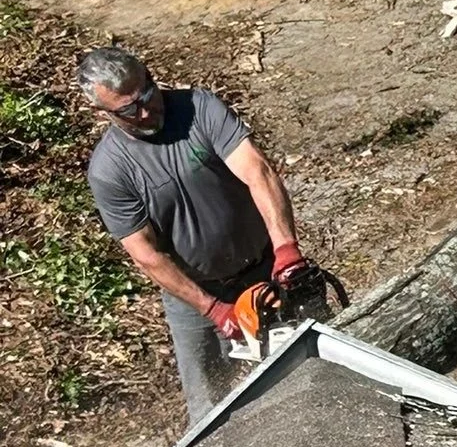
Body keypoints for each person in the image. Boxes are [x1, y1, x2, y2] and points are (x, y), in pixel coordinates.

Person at [78, 47, 320, 424]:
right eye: (129, 110)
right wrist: (212, 309)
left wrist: (286, 249)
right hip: (197, 297)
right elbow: (146, 255)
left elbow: (259, 172)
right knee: (210, 410)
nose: (146, 111)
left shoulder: (198, 108)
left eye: (147, 94)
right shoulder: (110, 171)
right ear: (102, 113)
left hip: (264, 266)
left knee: (313, 366)